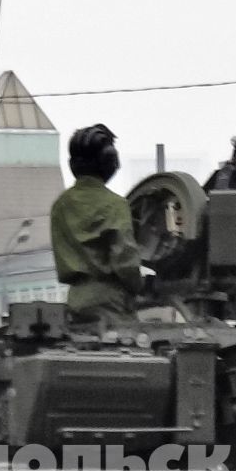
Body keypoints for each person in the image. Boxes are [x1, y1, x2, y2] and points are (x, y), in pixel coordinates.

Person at [49, 124, 144, 324]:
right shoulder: (115, 205)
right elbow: (125, 262)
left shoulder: (60, 205)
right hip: (111, 302)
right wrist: (139, 285)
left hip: (75, 300)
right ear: (108, 162)